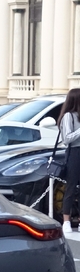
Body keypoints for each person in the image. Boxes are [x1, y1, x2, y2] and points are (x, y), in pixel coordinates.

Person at [58, 88, 80, 234]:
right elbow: (67, 138)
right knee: (71, 187)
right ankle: (66, 221)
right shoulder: (68, 116)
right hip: (75, 152)